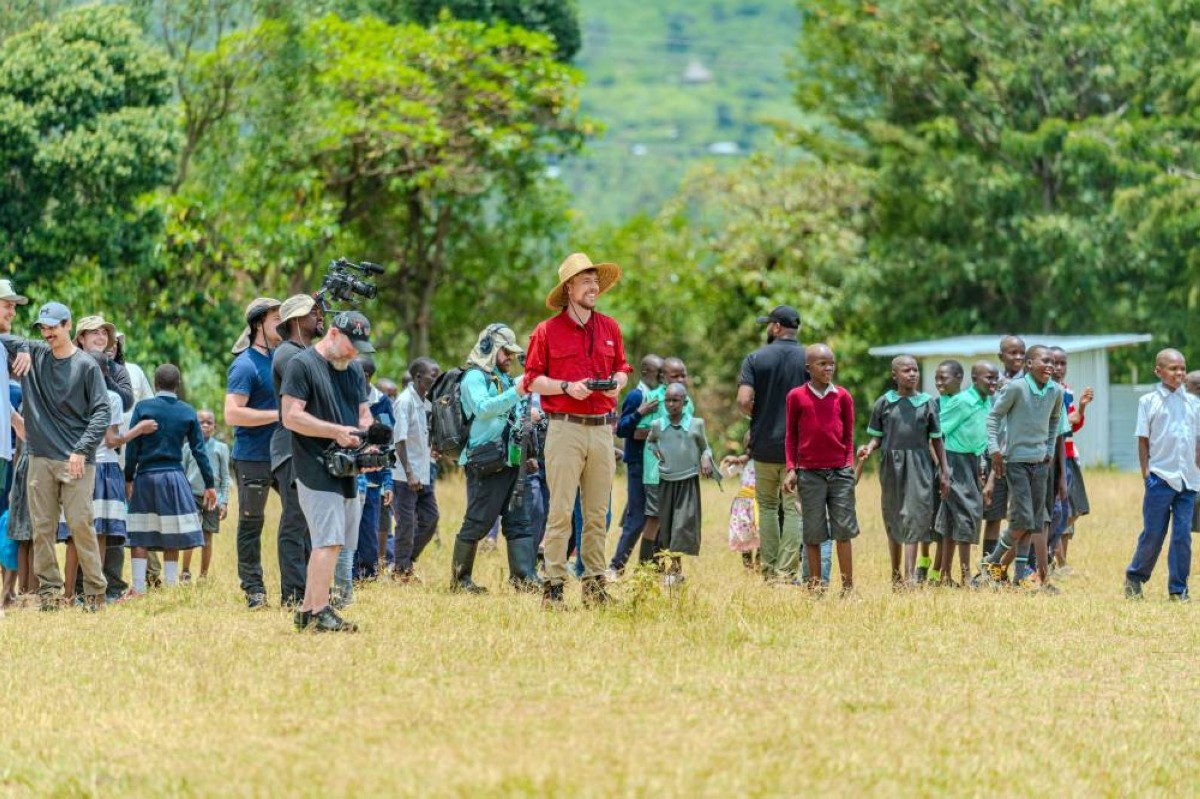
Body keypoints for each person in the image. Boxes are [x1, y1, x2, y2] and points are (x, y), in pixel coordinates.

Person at [523, 253, 631, 609]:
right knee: (561, 511)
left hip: (602, 429)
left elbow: (622, 368)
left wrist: (617, 382)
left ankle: (595, 585)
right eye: (585, 281)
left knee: (598, 514)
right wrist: (568, 387)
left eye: (596, 281)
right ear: (568, 288)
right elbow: (532, 381)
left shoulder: (610, 327)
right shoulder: (546, 331)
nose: (593, 286)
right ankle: (553, 586)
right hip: (564, 428)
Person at [283, 311, 376, 633]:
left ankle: (308, 610)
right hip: (314, 465)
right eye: (353, 344)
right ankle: (321, 612)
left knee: (337, 542)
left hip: (348, 466)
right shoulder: (302, 365)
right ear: (334, 333)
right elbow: (290, 417)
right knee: (328, 541)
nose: (355, 353)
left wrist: (369, 441)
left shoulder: (352, 371)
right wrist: (335, 431)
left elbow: (364, 415)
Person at [22, 302, 110, 611]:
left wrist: (81, 450)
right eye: (43, 328)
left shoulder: (86, 366)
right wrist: (21, 350)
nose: (47, 333)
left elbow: (102, 412)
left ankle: (96, 593)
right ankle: (49, 595)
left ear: (68, 325)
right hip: (40, 457)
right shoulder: (34, 355)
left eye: (53, 327)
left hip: (76, 460)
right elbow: (6, 339)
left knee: (80, 524)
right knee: (42, 527)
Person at [452, 324, 540, 594]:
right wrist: (519, 389)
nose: (510, 357)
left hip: (512, 460)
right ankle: (460, 580)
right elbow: (483, 409)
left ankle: (523, 578)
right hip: (486, 462)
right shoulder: (473, 378)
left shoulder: (502, 378)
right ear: (489, 347)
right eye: (505, 351)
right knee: (478, 521)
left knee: (519, 520)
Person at [58, 353, 149, 601]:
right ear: (106, 372)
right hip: (105, 469)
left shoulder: (70, 395)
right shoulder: (112, 398)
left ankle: (68, 594)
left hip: (76, 467)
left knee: (74, 536)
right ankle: (95, 594)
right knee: (99, 534)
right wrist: (137, 430)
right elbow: (112, 440)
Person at [858, 355, 949, 587]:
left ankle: (909, 577)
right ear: (894, 375)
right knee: (894, 516)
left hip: (919, 465)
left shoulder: (927, 403)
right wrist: (868, 449)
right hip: (892, 466)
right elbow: (876, 438)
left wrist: (944, 469)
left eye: (915, 370)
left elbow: (937, 440)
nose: (913, 374)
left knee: (914, 516)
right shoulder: (884, 403)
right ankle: (896, 573)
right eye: (907, 371)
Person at [125, 365, 217, 594]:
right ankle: (171, 587)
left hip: (146, 476)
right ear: (178, 385)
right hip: (174, 477)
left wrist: (128, 477)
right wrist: (210, 484)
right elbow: (199, 452)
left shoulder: (143, 407)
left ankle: (138, 588)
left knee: (140, 533)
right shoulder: (187, 412)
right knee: (172, 532)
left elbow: (132, 447)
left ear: (155, 384)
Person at [981, 345, 1065, 591]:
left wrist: (1049, 451)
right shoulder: (1016, 388)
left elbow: (1053, 422)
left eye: (1053, 361)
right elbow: (993, 417)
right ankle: (993, 562)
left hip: (1041, 463)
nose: (1050, 365)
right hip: (1016, 461)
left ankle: (1018, 576)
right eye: (1044, 361)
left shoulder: (1056, 391)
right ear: (1029, 364)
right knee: (1022, 520)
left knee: (1033, 521)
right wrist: (994, 449)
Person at [736, 305, 809, 583]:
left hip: (764, 445)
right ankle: (787, 572)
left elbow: (744, 400)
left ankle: (768, 570)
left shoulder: (756, 358)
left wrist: (761, 414)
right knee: (792, 508)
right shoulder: (808, 359)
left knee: (766, 506)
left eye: (769, 324)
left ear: (777, 327)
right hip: (799, 449)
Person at [1124, 349, 1200, 601]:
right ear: (1159, 371)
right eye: (1172, 368)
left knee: (1182, 536)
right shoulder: (1148, 402)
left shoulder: (1193, 403)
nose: (1179, 373)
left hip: (1188, 480)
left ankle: (1178, 589)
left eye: (1182, 368)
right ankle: (1135, 577)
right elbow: (1143, 440)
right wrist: (1146, 473)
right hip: (1160, 478)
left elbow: (1196, 440)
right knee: (1154, 533)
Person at [782, 344, 858, 595]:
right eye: (822, 364)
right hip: (809, 473)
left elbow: (848, 435)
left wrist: (847, 464)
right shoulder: (796, 396)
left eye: (832, 363)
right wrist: (792, 468)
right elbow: (791, 435)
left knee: (843, 532)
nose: (829, 368)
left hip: (839, 472)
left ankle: (847, 589)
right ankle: (815, 588)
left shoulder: (843, 396)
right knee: (813, 533)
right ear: (808, 368)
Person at [225, 297, 283, 609]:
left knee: (298, 518)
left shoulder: (284, 359)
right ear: (259, 323)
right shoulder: (245, 365)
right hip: (252, 455)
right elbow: (232, 414)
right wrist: (278, 415)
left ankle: (296, 587)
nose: (283, 323)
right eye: (277, 318)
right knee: (251, 523)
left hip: (285, 455)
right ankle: (254, 590)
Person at [270, 294, 324, 607]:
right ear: (294, 322)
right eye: (312, 313)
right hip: (289, 448)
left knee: (307, 523)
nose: (319, 317)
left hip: (301, 447)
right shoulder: (287, 355)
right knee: (294, 521)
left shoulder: (302, 352)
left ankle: (308, 591)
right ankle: (292, 594)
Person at [934, 361, 997, 585]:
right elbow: (936, 432)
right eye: (989, 378)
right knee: (966, 515)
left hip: (974, 461)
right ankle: (965, 574)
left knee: (954, 520)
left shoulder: (987, 401)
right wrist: (943, 468)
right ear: (975, 379)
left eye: (995, 378)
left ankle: (944, 575)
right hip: (954, 461)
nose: (993, 382)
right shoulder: (962, 402)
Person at [646, 383, 714, 584]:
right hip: (666, 480)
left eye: (675, 400)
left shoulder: (696, 424)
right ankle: (675, 570)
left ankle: (675, 569)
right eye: (667, 400)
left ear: (684, 402)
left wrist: (705, 459)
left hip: (687, 480)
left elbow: (706, 448)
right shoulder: (658, 425)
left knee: (682, 524)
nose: (671, 404)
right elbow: (651, 441)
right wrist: (655, 450)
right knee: (667, 525)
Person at [607, 353, 663, 578]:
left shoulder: (661, 396)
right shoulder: (636, 396)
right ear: (647, 372)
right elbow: (622, 429)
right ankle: (616, 566)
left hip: (656, 465)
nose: (662, 378)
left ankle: (653, 567)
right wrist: (641, 413)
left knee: (657, 516)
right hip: (639, 464)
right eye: (659, 373)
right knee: (637, 516)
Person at [634, 357, 692, 570]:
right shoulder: (654, 398)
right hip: (656, 472)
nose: (681, 379)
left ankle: (675, 569)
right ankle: (645, 567)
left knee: (677, 521)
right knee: (655, 519)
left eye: (683, 374)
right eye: (675, 375)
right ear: (663, 378)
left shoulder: (687, 401)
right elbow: (638, 432)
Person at [391, 357, 440, 583]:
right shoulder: (405, 401)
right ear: (419, 377)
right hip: (405, 475)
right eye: (433, 374)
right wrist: (409, 473)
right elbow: (399, 440)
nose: (436, 378)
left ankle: (404, 562)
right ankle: (401, 571)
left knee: (431, 519)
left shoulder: (426, 403)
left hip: (423, 472)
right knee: (406, 523)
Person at [981, 335, 1026, 562]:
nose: (1018, 357)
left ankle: (1005, 569)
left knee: (1018, 517)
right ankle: (988, 568)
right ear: (1001, 356)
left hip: (1019, 457)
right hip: (993, 455)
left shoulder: (1028, 383)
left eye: (1021, 353)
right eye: (1012, 353)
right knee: (993, 515)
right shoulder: (990, 384)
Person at [919, 360, 961, 583]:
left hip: (958, 469)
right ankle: (923, 562)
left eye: (943, 378)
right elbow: (931, 440)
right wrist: (940, 466)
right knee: (929, 520)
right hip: (935, 470)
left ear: (959, 378)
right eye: (936, 378)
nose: (938, 382)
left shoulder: (964, 403)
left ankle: (939, 571)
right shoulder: (933, 404)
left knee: (948, 524)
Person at [351, 355, 393, 581]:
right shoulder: (345, 395)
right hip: (349, 475)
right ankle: (349, 574)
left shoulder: (382, 402)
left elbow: (387, 442)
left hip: (373, 478)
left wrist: (388, 482)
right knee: (349, 529)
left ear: (365, 376)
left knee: (368, 530)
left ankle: (367, 573)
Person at [1049, 346, 1091, 572]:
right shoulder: (1048, 391)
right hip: (1055, 457)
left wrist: (1081, 408)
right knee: (1062, 508)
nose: (1058, 368)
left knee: (1074, 508)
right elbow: (1065, 421)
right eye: (1053, 363)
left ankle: (1056, 557)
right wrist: (1077, 413)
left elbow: (1074, 424)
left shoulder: (1067, 390)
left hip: (1068, 453)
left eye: (1062, 363)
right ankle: (1056, 559)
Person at [181, 409, 232, 581]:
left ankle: (203, 576)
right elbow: (182, 472)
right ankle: (185, 572)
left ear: (214, 427)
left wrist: (224, 501)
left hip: (213, 498)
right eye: (200, 422)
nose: (205, 425)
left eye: (209, 422)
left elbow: (225, 477)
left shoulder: (221, 448)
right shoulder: (188, 447)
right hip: (191, 496)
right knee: (190, 534)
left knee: (207, 536)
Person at [74, 315, 133, 411]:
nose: (101, 337)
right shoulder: (69, 366)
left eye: (104, 333)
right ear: (81, 339)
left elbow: (127, 404)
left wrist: (104, 376)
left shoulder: (118, 370)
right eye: (95, 332)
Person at [722, 436, 759, 571]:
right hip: (743, 505)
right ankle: (748, 568)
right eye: (748, 446)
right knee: (744, 535)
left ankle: (759, 566)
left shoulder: (764, 462)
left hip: (760, 503)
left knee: (761, 535)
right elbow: (724, 475)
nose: (750, 449)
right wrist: (726, 462)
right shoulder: (741, 464)